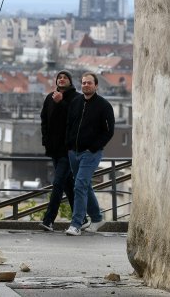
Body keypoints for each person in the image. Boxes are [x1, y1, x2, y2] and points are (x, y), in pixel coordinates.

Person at [64, 72, 115, 236]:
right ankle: (97, 217)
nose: (86, 85)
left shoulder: (104, 106)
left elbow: (109, 131)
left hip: (90, 153)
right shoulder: (76, 102)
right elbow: (69, 124)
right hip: (74, 151)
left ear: (96, 85)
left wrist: (94, 147)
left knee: (79, 185)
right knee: (84, 185)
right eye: (84, 83)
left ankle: (76, 224)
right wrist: (69, 144)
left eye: (89, 83)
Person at [38, 70, 79, 232]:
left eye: (65, 78)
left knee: (57, 183)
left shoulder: (76, 98)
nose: (62, 80)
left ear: (70, 81)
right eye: (59, 78)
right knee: (67, 184)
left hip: (68, 149)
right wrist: (45, 140)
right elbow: (44, 119)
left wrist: (61, 102)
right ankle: (81, 218)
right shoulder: (50, 97)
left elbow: (74, 118)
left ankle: (49, 220)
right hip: (54, 148)